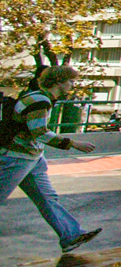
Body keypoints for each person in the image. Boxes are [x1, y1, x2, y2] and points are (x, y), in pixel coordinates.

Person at [0, 66, 100, 252]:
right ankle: (71, 235)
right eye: (70, 81)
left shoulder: (40, 97)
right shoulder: (39, 101)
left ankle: (71, 236)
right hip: (16, 158)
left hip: (31, 158)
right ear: (58, 82)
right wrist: (73, 143)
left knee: (47, 198)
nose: (72, 85)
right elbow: (40, 132)